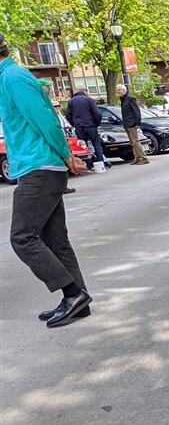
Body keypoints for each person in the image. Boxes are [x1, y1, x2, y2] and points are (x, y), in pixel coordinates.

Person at [0, 32, 91, 327]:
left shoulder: (13, 78)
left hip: (39, 167)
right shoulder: (10, 78)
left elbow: (46, 119)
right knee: (54, 239)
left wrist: (66, 156)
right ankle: (78, 301)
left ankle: (73, 293)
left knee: (22, 237)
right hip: (39, 166)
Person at [66, 86, 105, 170]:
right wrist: (96, 123)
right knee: (96, 145)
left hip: (79, 127)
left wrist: (74, 124)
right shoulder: (89, 100)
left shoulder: (71, 101)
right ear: (85, 91)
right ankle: (101, 164)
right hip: (91, 126)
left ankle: (89, 165)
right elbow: (98, 113)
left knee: (84, 147)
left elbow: (68, 115)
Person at [116, 84, 148, 165]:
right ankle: (137, 157)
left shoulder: (130, 99)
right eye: (117, 90)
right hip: (127, 124)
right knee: (132, 143)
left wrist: (137, 123)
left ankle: (144, 158)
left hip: (132, 124)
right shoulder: (123, 99)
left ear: (124, 90)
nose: (118, 91)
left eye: (119, 89)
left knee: (135, 142)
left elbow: (136, 111)